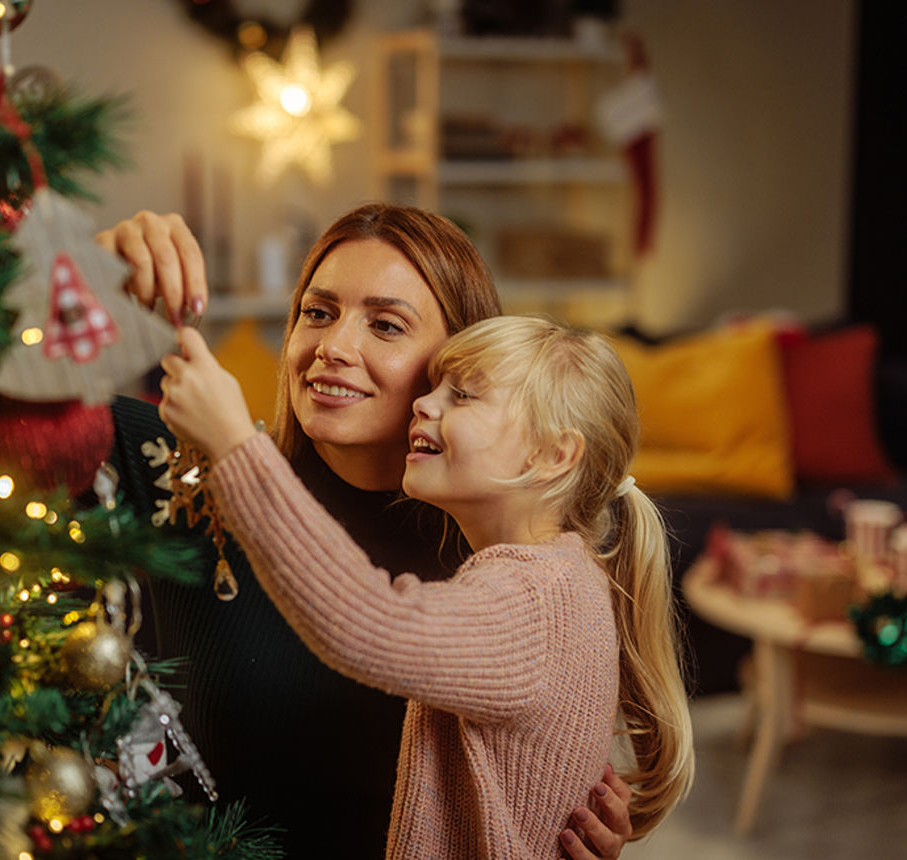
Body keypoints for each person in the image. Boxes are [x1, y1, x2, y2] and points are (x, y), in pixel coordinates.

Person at [97, 204, 635, 858]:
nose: (333, 347)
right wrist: (86, 272)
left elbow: (373, 623)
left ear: (458, 356)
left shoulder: (502, 565)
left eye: (385, 324)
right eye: (317, 313)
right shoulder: (183, 467)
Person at [157, 314, 695, 858]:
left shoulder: (534, 598)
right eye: (432, 386)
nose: (423, 403)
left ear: (554, 455)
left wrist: (233, 446)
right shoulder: (564, 574)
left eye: (462, 395)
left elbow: (371, 623)